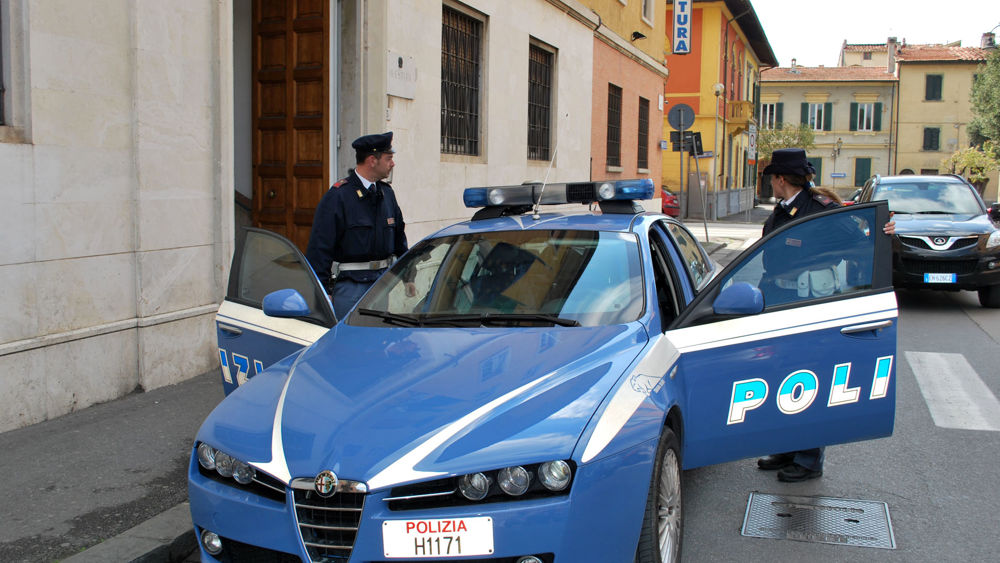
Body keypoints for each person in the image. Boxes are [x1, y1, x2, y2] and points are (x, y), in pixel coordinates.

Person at [755, 148, 894, 482]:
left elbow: (864, 243)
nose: (769, 183)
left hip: (812, 306)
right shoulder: (780, 211)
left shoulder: (821, 210)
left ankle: (808, 458)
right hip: (781, 302)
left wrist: (885, 232)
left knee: (808, 379)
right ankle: (786, 447)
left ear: (779, 179)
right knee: (783, 378)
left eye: (770, 178)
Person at [306, 131, 414, 320]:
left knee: (376, 341)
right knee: (350, 344)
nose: (393, 163)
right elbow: (319, 248)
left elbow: (399, 240)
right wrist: (323, 293)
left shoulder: (387, 194)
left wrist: (408, 276)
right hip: (351, 288)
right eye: (389, 158)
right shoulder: (339, 196)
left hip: (381, 285)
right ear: (372, 160)